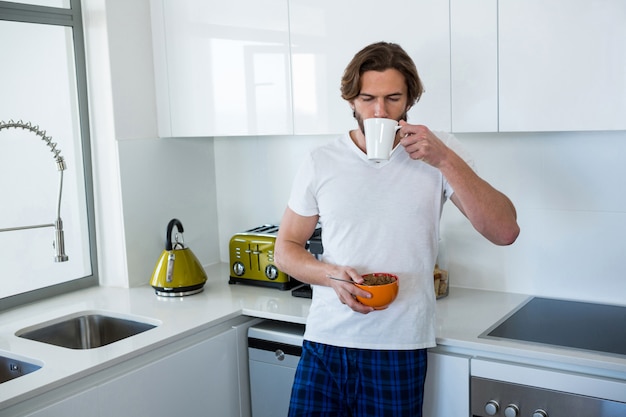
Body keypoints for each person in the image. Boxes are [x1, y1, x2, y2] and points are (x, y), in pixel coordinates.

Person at [274, 41, 519, 417]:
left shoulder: (439, 152)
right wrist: (330, 276)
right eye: (367, 98)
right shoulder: (321, 160)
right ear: (351, 100)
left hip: (399, 346)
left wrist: (444, 160)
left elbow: (504, 230)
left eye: (392, 98)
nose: (379, 112)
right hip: (326, 342)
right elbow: (286, 248)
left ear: (409, 100)